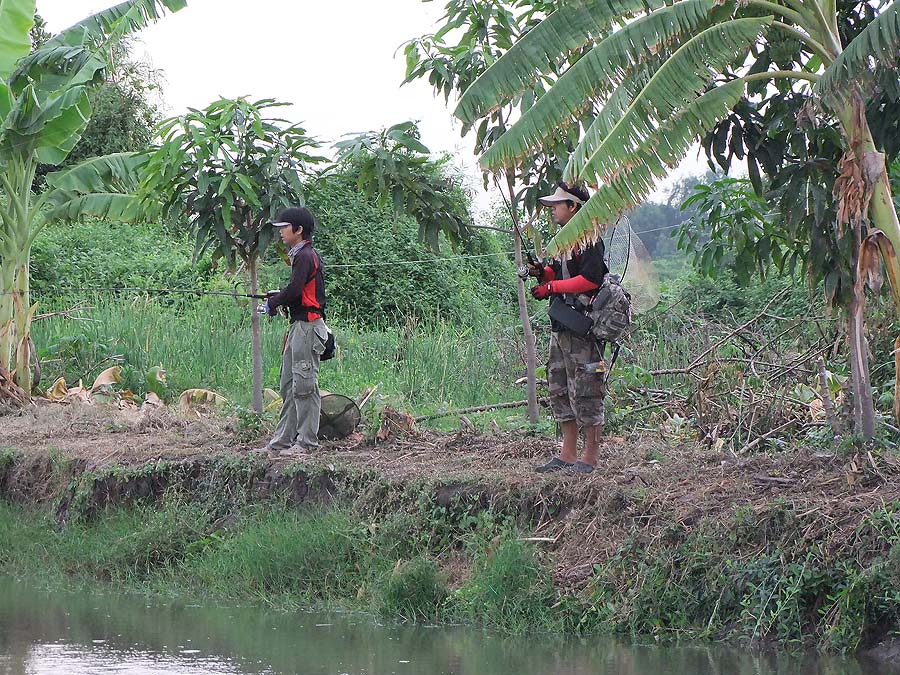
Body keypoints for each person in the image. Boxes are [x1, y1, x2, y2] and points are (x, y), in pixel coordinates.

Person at [529, 181, 609, 474]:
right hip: (562, 326)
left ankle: (589, 459)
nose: (552, 210)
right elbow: (558, 271)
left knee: (587, 391)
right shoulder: (564, 240)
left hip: (583, 329)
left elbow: (590, 279)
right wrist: (543, 273)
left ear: (573, 207)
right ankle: (567, 455)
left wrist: (550, 286)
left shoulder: (589, 238)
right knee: (559, 387)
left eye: (557, 205)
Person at [262, 206, 329, 454]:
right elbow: (295, 291)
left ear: (298, 230)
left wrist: (274, 301)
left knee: (304, 385)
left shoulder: (304, 256)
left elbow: (295, 291)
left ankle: (307, 442)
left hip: (307, 328)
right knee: (289, 385)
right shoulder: (300, 255)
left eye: (284, 227)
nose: (280, 232)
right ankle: (281, 442)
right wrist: (278, 297)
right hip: (298, 327)